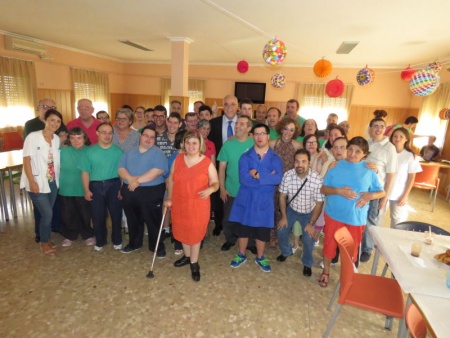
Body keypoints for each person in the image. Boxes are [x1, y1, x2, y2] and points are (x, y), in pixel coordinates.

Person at [319, 137, 385, 287]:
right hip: (334, 214)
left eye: (357, 152)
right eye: (350, 149)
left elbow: (382, 192)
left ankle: (346, 275)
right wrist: (338, 191)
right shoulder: (335, 166)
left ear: (364, 154)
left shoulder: (369, 170)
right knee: (329, 245)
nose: (352, 154)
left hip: (355, 218)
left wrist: (370, 195)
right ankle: (326, 272)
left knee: (350, 250)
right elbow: (323, 189)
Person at [165, 131, 219, 282]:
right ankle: (187, 257)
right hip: (180, 202)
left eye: (194, 143)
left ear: (200, 144)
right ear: (183, 144)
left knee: (195, 234)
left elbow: (215, 183)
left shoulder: (206, 162)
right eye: (188, 143)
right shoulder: (178, 158)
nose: (191, 146)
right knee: (181, 230)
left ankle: (194, 263)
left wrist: (210, 189)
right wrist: (169, 198)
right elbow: (171, 180)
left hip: (198, 204)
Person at [229, 124, 283, 273]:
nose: (260, 137)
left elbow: (278, 178)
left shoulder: (275, 158)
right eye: (257, 134)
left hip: (264, 201)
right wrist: (267, 177)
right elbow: (244, 179)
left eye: (263, 134)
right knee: (243, 230)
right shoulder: (245, 157)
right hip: (246, 198)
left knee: (262, 231)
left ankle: (260, 256)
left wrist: (257, 174)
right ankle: (241, 254)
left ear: (268, 136)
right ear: (253, 136)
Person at [118, 126, 167, 256]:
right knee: (133, 219)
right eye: (146, 135)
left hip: (151, 191)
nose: (149, 139)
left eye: (152, 137)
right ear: (141, 136)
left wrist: (136, 182)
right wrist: (129, 179)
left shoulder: (158, 153)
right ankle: (134, 243)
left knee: (153, 221)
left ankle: (157, 247)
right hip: (130, 191)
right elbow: (121, 168)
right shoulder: (129, 152)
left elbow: (157, 171)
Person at [23, 98, 68, 241]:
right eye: (52, 120)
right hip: (37, 180)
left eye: (58, 122)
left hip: (52, 181)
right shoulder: (33, 136)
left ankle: (45, 236)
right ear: (45, 121)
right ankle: (44, 241)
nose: (55, 124)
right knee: (47, 213)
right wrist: (32, 181)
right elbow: (26, 159)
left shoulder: (55, 138)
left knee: (48, 212)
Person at [276, 149, 324, 277]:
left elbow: (319, 203)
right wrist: (284, 217)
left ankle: (307, 263)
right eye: (297, 161)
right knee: (281, 229)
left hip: (309, 212)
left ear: (309, 163)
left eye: (303, 161)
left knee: (309, 238)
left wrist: (311, 223)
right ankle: (286, 252)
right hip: (292, 209)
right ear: (293, 163)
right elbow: (282, 197)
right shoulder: (288, 175)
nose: (300, 164)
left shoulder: (317, 179)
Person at [80, 123, 124, 252]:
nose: (107, 135)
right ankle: (100, 241)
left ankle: (117, 240)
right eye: (104, 132)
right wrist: (86, 190)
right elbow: (85, 172)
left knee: (116, 215)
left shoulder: (118, 151)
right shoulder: (89, 151)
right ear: (97, 133)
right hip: (96, 186)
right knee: (97, 215)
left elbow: (122, 172)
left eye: (110, 133)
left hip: (114, 184)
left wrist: (121, 189)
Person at [360, 118, 397, 263]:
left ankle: (368, 248)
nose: (379, 129)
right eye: (375, 126)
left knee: (371, 220)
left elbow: (391, 175)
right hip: (363, 189)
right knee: (361, 217)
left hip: (376, 191)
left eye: (382, 126)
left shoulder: (389, 148)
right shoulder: (367, 144)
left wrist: (385, 197)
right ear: (370, 128)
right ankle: (359, 244)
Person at [217, 115, 254, 252]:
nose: (237, 126)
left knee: (248, 218)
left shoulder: (254, 143)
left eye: (242, 124)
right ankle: (230, 240)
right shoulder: (228, 144)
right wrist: (222, 188)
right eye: (237, 123)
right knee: (228, 219)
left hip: (249, 191)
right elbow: (221, 168)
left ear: (249, 128)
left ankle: (249, 243)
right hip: (231, 190)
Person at [209, 95, 239, 236]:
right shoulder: (214, 123)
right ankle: (219, 224)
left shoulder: (244, 123)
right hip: (217, 166)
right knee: (218, 197)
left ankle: (237, 225)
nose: (229, 107)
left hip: (237, 168)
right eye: (226, 104)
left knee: (235, 198)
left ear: (237, 107)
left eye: (232, 104)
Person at [269, 117, 302, 248]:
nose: (288, 132)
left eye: (291, 130)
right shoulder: (272, 143)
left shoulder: (298, 145)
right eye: (286, 129)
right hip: (274, 183)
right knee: (272, 210)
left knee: (286, 213)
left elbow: (304, 161)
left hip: (289, 185)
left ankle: (282, 236)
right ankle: (272, 237)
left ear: (295, 132)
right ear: (281, 129)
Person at [59, 127, 95, 247]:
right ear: (68, 139)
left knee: (85, 213)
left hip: (83, 188)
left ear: (84, 138)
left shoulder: (90, 151)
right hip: (66, 187)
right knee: (67, 214)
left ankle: (87, 234)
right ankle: (70, 235)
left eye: (79, 138)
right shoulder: (63, 150)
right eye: (72, 138)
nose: (76, 141)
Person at [388, 128, 422, 227]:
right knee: (378, 217)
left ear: (406, 139)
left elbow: (412, 178)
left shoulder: (410, 156)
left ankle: (393, 241)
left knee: (396, 219)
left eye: (401, 136)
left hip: (398, 192)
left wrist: (404, 196)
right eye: (395, 136)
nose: (397, 139)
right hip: (383, 190)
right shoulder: (387, 152)